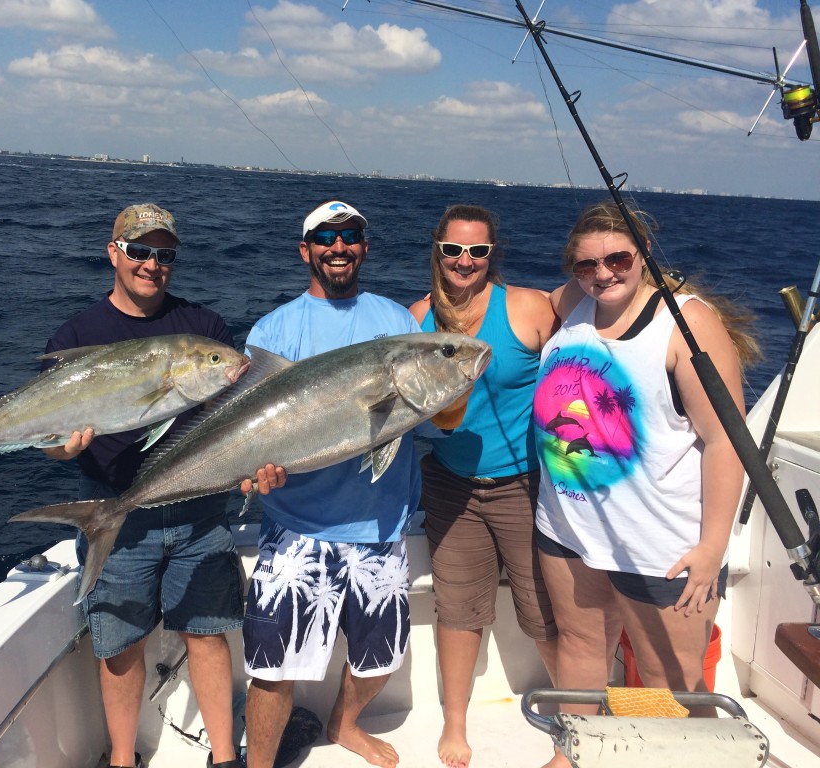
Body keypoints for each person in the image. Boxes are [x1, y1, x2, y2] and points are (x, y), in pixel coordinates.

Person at [43, 203, 283, 768]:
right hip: (120, 519)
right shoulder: (78, 334)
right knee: (122, 647)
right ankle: (123, 760)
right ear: (114, 253)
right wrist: (63, 448)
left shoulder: (204, 329)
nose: (152, 264)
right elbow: (50, 439)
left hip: (201, 509)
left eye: (165, 254)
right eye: (140, 250)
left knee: (207, 634)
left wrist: (256, 467)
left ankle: (225, 757)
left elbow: (238, 422)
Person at [532, 201, 759, 767]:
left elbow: (726, 440)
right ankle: (577, 751)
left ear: (645, 254)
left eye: (618, 258)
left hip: (662, 544)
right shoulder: (574, 304)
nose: (603, 273)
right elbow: (515, 306)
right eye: (587, 265)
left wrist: (712, 548)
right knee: (582, 649)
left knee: (670, 685)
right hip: (567, 527)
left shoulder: (686, 321)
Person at [241, 200, 424, 768]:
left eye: (349, 237)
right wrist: (255, 474)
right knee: (273, 669)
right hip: (298, 526)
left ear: (364, 248)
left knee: (381, 658)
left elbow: (416, 407)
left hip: (381, 523)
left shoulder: (397, 321)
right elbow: (247, 429)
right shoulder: (274, 331)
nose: (338, 246)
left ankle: (344, 724)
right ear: (306, 249)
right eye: (325, 237)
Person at [407, 204, 559, 768]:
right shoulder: (418, 317)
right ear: (437, 250)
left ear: (493, 255)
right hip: (449, 486)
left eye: (477, 251)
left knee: (543, 609)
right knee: (457, 607)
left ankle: (579, 722)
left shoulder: (527, 307)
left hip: (525, 486)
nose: (464, 261)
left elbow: (587, 365)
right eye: (453, 250)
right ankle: (454, 723)